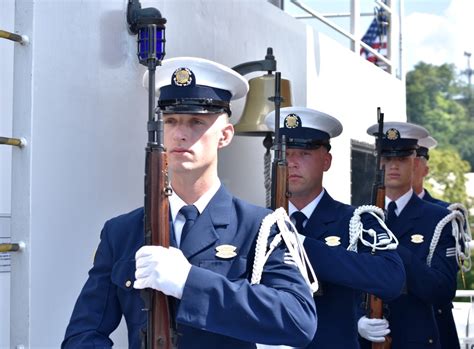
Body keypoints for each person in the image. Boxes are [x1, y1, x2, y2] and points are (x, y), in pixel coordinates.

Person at [61, 57, 317, 349]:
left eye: (197, 122)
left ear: (225, 135)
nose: (181, 133)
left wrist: (189, 282)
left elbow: (298, 319)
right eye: (171, 121)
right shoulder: (122, 232)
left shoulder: (259, 227)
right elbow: (83, 334)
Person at [263, 107, 405, 349]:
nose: (293, 162)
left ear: (326, 161)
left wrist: (301, 245)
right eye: (286, 153)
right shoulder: (259, 222)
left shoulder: (356, 221)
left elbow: (391, 278)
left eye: (304, 153)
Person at [358, 121, 459, 349]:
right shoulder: (358, 217)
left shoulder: (439, 219)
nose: (392, 166)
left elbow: (442, 290)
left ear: (415, 163)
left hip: (416, 340)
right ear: (377, 162)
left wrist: (393, 248)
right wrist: (357, 319)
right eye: (386, 159)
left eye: (401, 159)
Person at [414, 135, 465, 349]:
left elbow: (443, 281)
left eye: (413, 161)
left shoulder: (447, 215)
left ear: (425, 169)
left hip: (433, 322)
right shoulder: (371, 214)